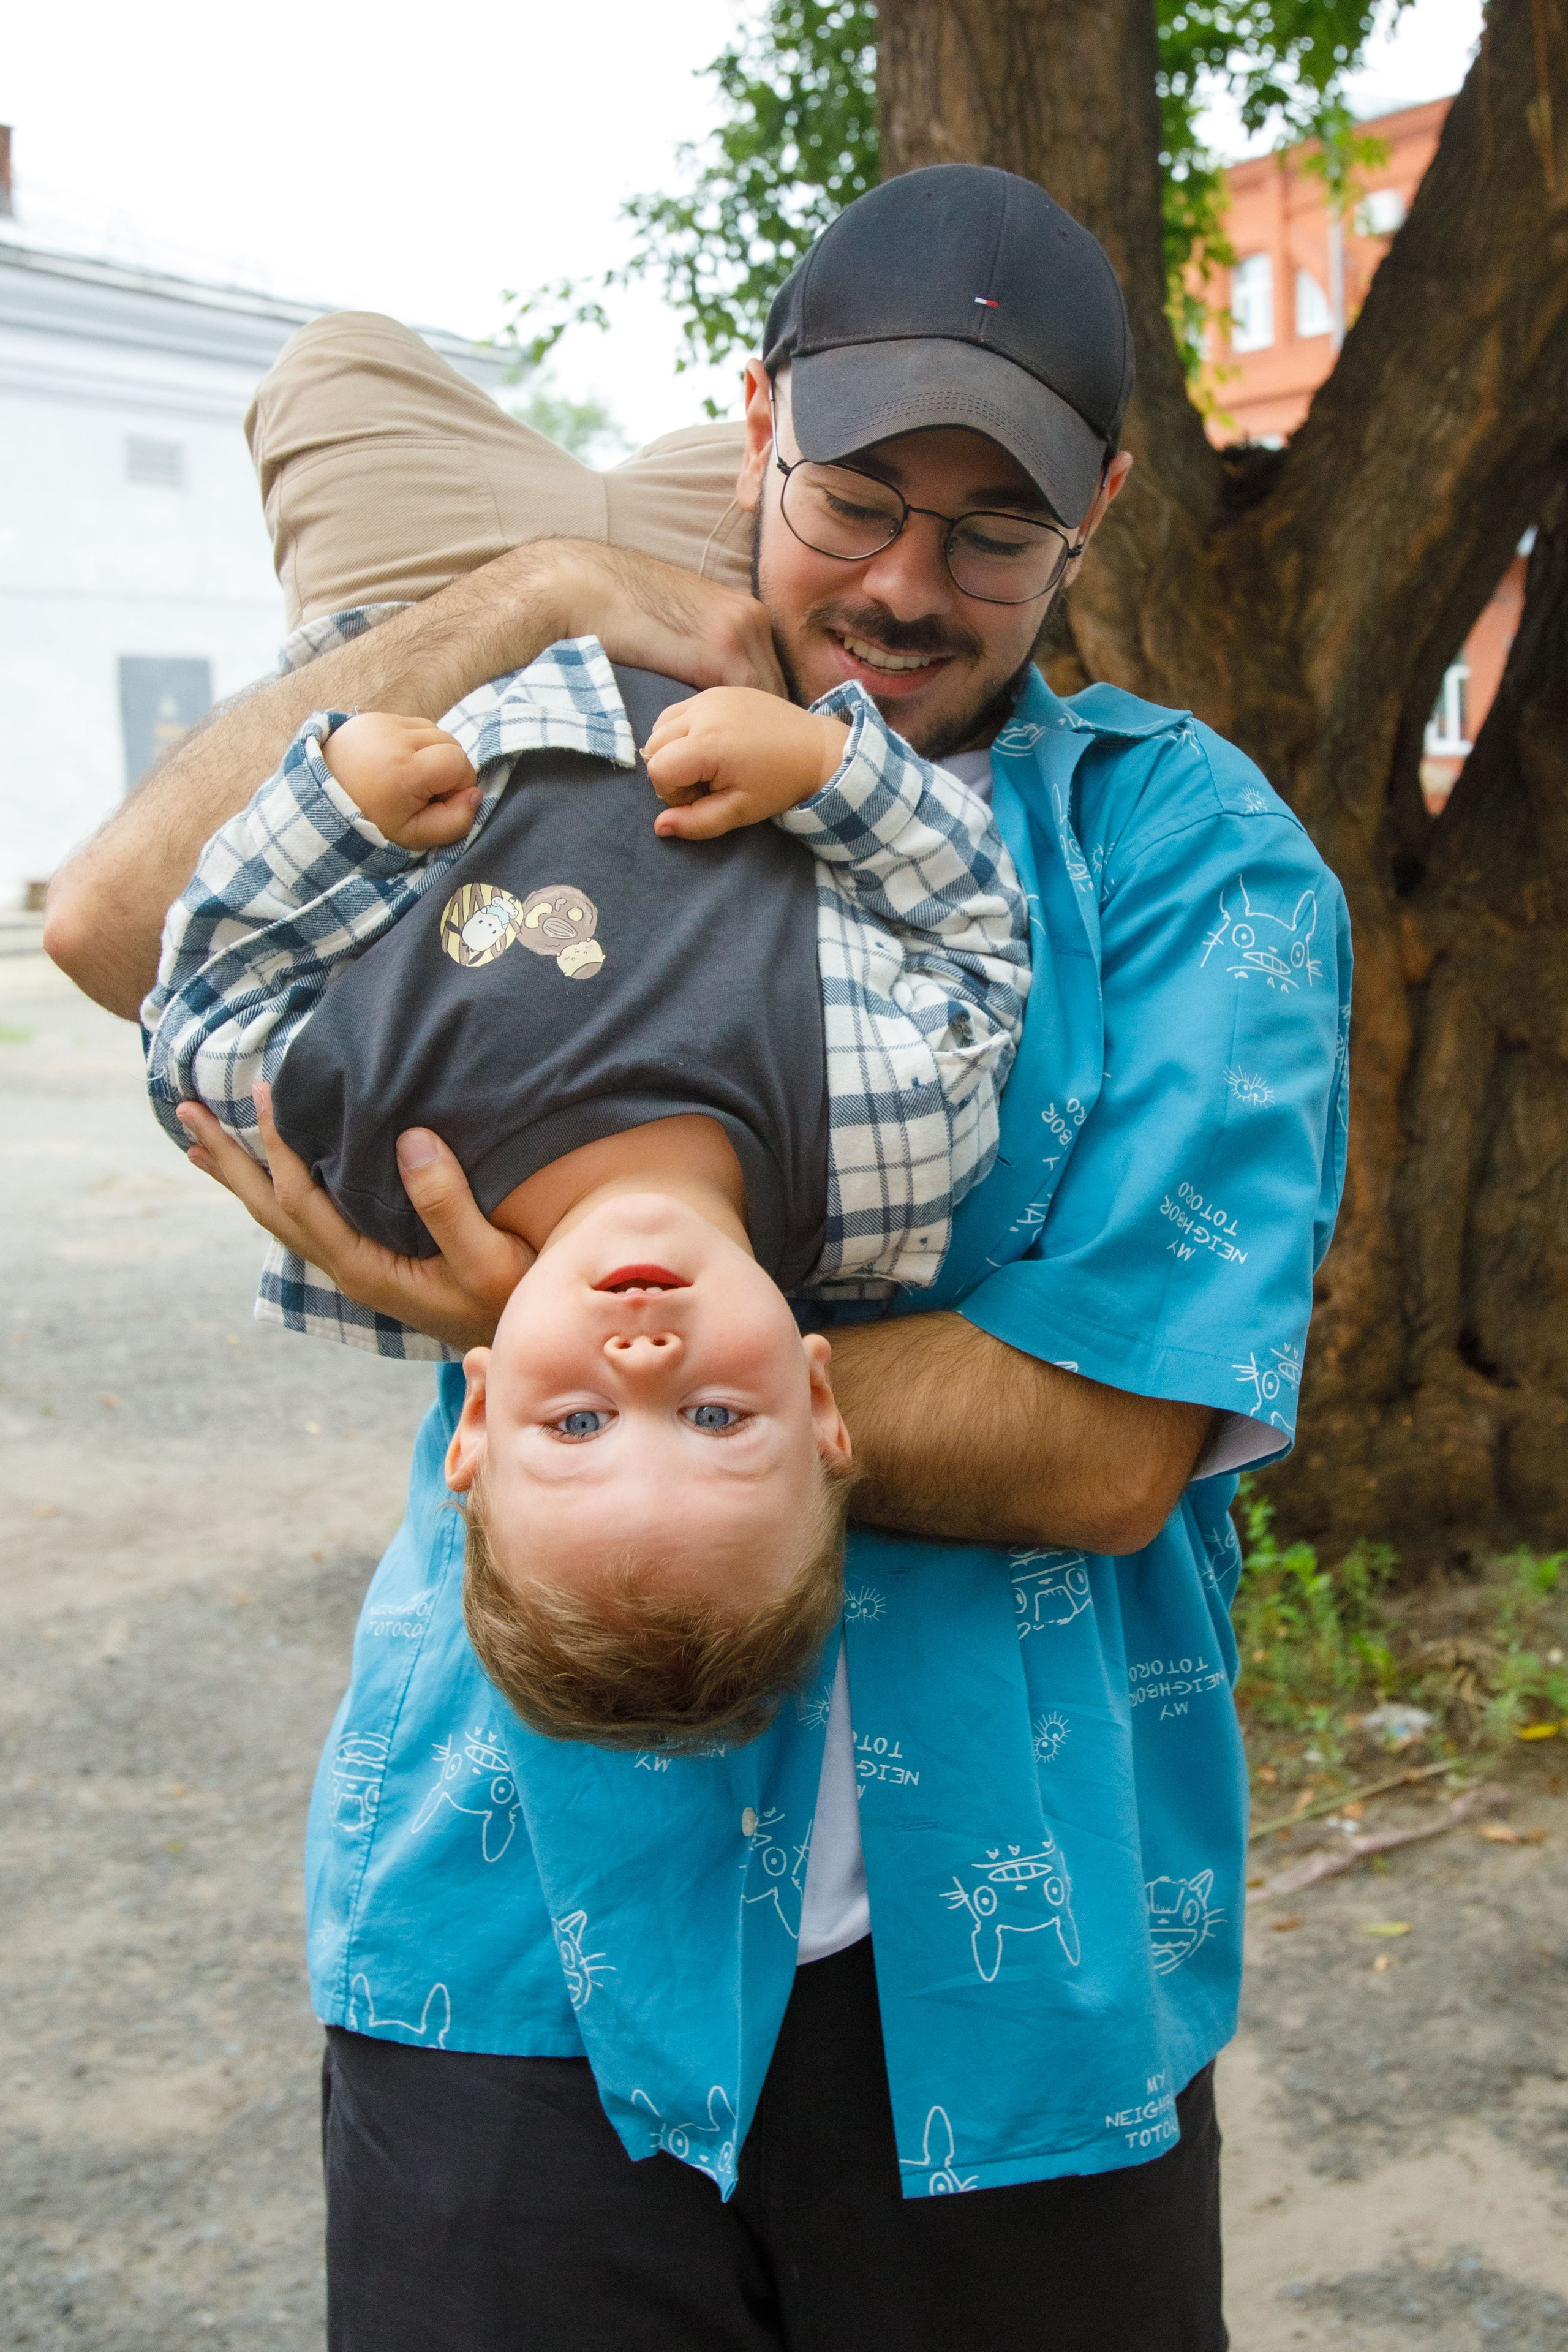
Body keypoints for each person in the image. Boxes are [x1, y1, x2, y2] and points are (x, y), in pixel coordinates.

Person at [46, 164, 1351, 2350]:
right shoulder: (535, 736)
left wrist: (563, 1343)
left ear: (1099, 510)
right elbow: (107, 928)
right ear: (754, 425)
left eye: (992, 530)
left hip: (1017, 2002)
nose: (909, 587)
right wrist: (526, 592)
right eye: (855, 497)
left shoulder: (1183, 852)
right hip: (506, 1925)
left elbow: (1113, 1435)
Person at [143, 644, 1029, 1745]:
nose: (645, 1361)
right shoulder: (898, 1152)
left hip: (455, 623)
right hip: (737, 636)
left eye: (577, 1424)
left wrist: (335, 809)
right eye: (715, 1418)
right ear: (821, 1408)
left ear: (477, 1416)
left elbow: (199, 1025)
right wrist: (825, 770)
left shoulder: (371, 1179)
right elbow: (975, 939)